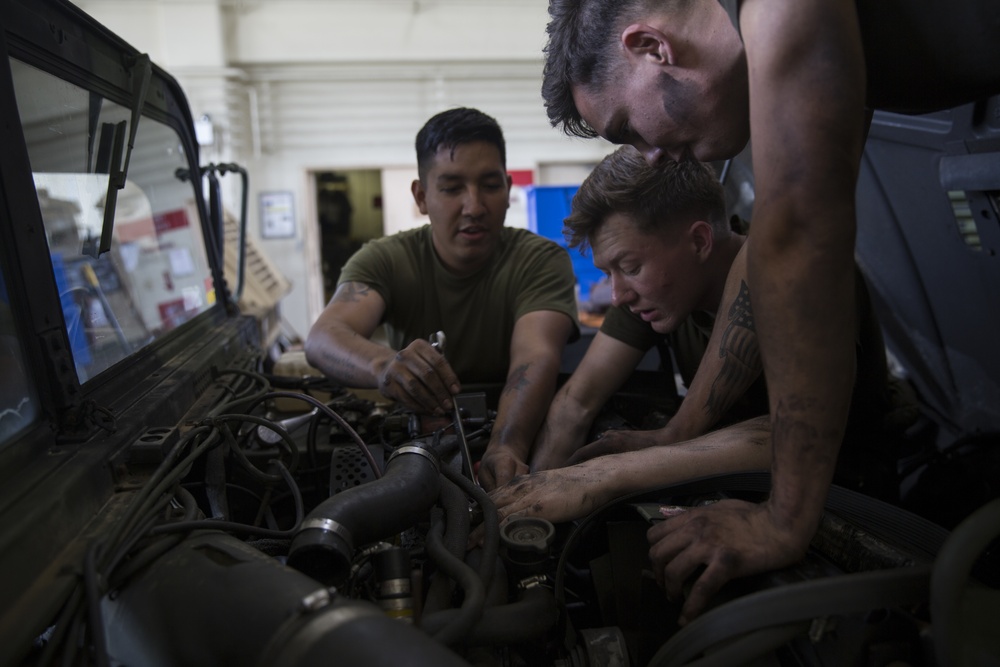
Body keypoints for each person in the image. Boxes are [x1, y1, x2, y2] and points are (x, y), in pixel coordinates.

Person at [539, 0, 1000, 625]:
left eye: (627, 128)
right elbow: (773, 255)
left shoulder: (778, 10)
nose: (647, 155)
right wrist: (679, 433)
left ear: (652, 47)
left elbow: (803, 238)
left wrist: (782, 522)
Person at [304, 107, 579, 490]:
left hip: (517, 433)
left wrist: (505, 447)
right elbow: (324, 336)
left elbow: (535, 357)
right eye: (451, 188)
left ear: (508, 186)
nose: (474, 207)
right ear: (421, 196)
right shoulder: (385, 259)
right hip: (417, 442)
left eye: (490, 185)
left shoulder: (540, 260)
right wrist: (385, 367)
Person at [529, 146, 766, 474]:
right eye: (607, 273)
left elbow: (799, 432)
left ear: (699, 241)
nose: (616, 296)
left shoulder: (783, 277)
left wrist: (607, 477)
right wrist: (531, 497)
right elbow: (575, 405)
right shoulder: (652, 293)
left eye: (629, 266)